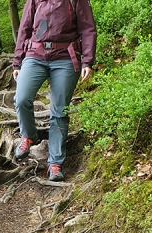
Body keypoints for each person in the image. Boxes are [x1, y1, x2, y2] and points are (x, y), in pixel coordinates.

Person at [12, 0, 96, 181]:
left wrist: (87, 60)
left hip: (65, 58)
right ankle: (28, 136)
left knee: (59, 111)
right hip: (35, 55)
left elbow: (87, 28)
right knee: (21, 98)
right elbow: (24, 27)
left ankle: (55, 164)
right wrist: (17, 61)